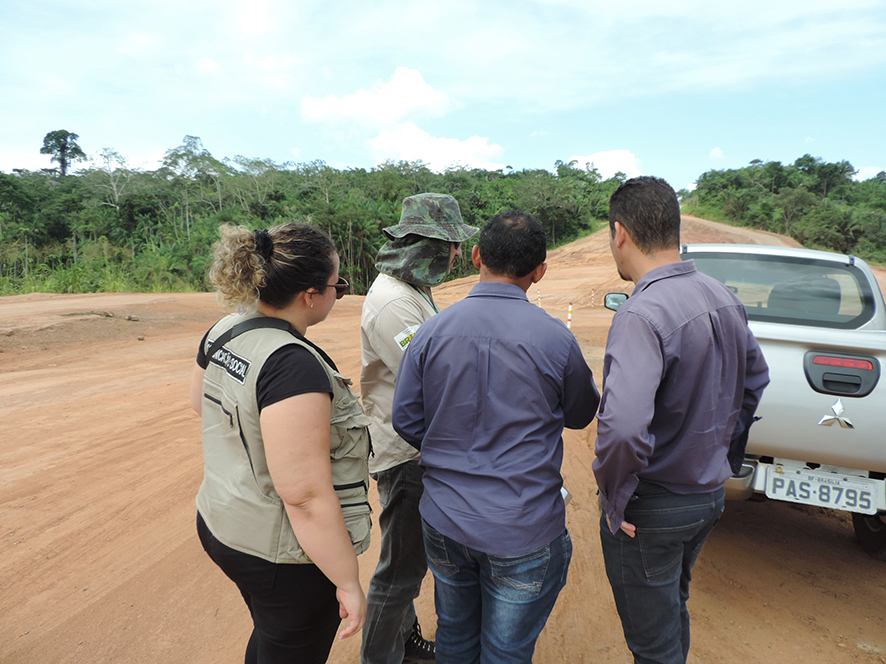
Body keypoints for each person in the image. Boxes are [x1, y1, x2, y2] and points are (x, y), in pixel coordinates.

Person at [391, 210, 601, 664]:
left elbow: (406, 420)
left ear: (476, 255)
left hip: (445, 519)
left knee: (455, 637)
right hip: (522, 528)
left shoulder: (430, 334)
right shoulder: (555, 340)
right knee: (506, 651)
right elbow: (583, 413)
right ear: (540, 271)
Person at [593, 176, 770, 664]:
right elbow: (756, 380)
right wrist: (722, 456)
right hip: (706, 498)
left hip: (654, 506)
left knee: (652, 645)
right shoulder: (722, 295)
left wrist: (614, 497)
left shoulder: (640, 313)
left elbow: (624, 427)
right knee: (673, 610)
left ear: (620, 233)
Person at [190, 222, 371, 664]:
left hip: (219, 522)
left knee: (274, 637)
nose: (337, 293)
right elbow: (305, 497)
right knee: (289, 645)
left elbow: (202, 404)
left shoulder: (226, 329)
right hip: (279, 557)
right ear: (310, 295)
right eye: (338, 286)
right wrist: (347, 582)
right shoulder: (292, 367)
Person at [360, 192, 478, 664]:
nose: (455, 255)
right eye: (450, 245)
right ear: (427, 245)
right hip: (406, 454)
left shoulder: (413, 292)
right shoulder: (394, 304)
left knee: (408, 562)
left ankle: (403, 642)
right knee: (402, 570)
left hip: (417, 447)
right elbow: (430, 379)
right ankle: (380, 656)